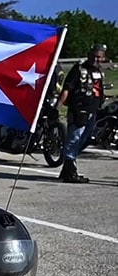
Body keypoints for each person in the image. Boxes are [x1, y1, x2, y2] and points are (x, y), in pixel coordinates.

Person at [57, 44, 108, 183]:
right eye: (93, 56)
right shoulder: (79, 69)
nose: (95, 59)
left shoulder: (98, 71)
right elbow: (67, 89)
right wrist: (57, 107)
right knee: (74, 139)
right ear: (89, 54)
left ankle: (67, 167)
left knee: (84, 139)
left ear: (103, 58)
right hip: (79, 110)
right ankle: (70, 171)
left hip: (93, 111)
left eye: (99, 57)